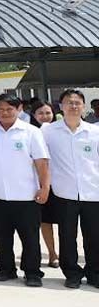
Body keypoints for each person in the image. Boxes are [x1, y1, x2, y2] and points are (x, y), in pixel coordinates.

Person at [0, 93, 50, 287]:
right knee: (2, 236)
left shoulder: (30, 132)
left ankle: (32, 272)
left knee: (29, 237)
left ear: (19, 109)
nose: (4, 113)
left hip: (27, 195)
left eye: (9, 109)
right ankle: (6, 268)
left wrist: (45, 187)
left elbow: (41, 161)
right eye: (1, 109)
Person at [42, 89, 99, 289]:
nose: (73, 106)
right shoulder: (48, 131)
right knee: (67, 235)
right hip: (64, 192)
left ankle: (94, 273)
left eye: (77, 103)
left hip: (93, 191)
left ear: (83, 106)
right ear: (61, 106)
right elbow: (42, 160)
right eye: (69, 102)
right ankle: (72, 273)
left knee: (94, 236)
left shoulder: (95, 132)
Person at [29, 100, 60, 268]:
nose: (45, 116)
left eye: (48, 113)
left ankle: (67, 253)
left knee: (65, 223)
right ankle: (52, 254)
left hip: (62, 184)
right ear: (34, 115)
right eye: (40, 113)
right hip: (41, 183)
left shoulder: (60, 130)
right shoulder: (32, 132)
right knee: (45, 221)